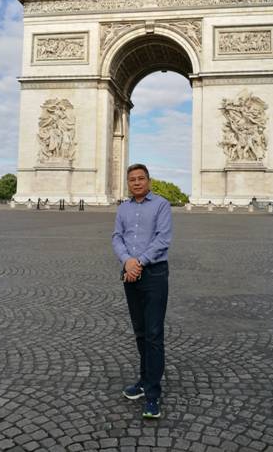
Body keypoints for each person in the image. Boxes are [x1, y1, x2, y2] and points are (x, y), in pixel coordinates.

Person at [112, 163, 172, 419]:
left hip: (154, 273)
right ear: (128, 183)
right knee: (140, 332)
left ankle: (153, 394)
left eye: (141, 178)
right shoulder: (123, 208)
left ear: (148, 180)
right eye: (132, 179)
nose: (136, 182)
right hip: (130, 272)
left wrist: (139, 262)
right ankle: (145, 380)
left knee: (154, 334)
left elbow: (163, 239)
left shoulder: (162, 205)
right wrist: (128, 261)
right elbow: (117, 237)